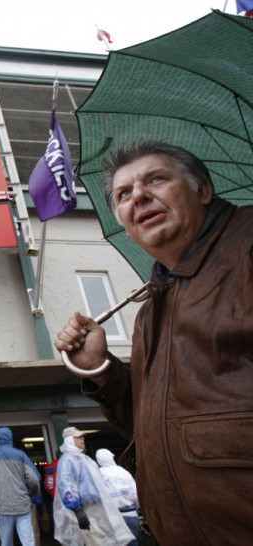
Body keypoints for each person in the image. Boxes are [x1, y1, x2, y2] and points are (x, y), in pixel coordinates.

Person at [54, 140, 253, 544]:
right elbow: (150, 426)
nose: (138, 196)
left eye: (156, 179)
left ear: (203, 190)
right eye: (124, 194)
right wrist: (100, 367)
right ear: (125, 223)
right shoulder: (153, 306)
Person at [53, 427, 133, 546]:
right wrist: (78, 510)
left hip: (97, 508)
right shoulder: (67, 460)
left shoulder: (85, 459)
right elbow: (66, 486)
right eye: (78, 437)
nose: (82, 438)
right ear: (69, 440)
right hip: (85, 509)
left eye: (83, 436)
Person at [0, 427, 41, 546]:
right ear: (10, 438)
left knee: (6, 542)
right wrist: (34, 492)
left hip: (3, 507)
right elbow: (34, 478)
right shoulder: (20, 454)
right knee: (28, 542)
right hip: (23, 505)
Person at [95, 449, 139, 545]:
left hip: (110, 518)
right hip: (130, 515)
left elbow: (95, 497)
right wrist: (137, 508)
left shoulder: (97, 474)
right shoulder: (124, 472)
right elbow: (135, 493)